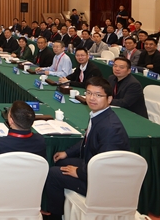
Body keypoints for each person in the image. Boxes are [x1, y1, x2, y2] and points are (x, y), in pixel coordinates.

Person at [43, 77, 129, 220]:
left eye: (98, 95)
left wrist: (79, 172)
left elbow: (105, 166)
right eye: (89, 93)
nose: (92, 98)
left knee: (53, 174)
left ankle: (56, 216)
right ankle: (64, 208)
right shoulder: (99, 114)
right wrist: (67, 153)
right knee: (61, 161)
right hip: (91, 166)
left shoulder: (110, 128)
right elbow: (87, 139)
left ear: (109, 99)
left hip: (102, 182)